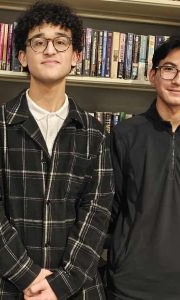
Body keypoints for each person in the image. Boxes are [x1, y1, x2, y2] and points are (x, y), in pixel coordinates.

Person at [0, 1, 114, 299]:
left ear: (76, 57)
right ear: (23, 56)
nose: (49, 50)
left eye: (60, 42)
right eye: (39, 42)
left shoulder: (95, 133)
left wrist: (62, 283)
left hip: (76, 287)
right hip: (1, 284)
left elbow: (97, 212)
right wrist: (28, 276)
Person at [107, 36, 180, 299]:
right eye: (170, 69)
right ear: (153, 75)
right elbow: (110, 210)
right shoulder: (124, 135)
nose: (178, 80)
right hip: (131, 286)